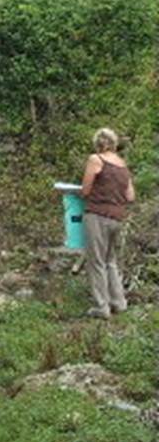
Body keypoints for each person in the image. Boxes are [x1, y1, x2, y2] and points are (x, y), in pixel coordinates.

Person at [81, 127, 135, 319]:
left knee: (96, 261)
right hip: (117, 218)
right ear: (114, 144)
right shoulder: (122, 165)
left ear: (98, 143)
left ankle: (101, 307)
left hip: (97, 215)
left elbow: (85, 190)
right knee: (110, 261)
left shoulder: (95, 159)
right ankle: (119, 303)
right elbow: (130, 196)